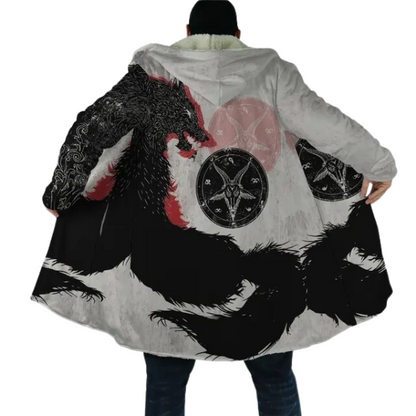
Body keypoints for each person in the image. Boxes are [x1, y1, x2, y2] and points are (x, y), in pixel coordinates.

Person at [33, 1, 397, 416]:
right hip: (262, 249)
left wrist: (63, 192)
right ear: (238, 36)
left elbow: (95, 128)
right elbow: (328, 126)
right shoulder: (272, 72)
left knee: (165, 376)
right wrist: (379, 165)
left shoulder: (154, 73)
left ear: (187, 31)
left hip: (164, 261)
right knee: (274, 374)